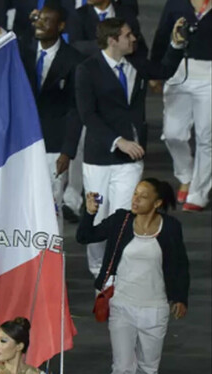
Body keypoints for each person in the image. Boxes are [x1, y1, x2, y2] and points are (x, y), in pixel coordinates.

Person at [76, 178, 189, 374]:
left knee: (148, 372)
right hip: (122, 307)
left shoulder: (171, 227)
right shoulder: (121, 221)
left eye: (143, 196)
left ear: (158, 202)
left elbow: (179, 263)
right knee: (122, 368)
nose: (135, 199)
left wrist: (180, 298)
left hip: (156, 308)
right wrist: (88, 212)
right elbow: (85, 237)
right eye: (135, 193)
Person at [74, 17, 186, 277]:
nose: (134, 38)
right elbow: (87, 115)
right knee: (99, 216)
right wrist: (118, 142)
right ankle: (97, 270)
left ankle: (115, 271)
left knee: (124, 215)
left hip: (131, 159)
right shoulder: (87, 70)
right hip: (99, 158)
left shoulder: (135, 63)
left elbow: (164, 71)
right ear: (113, 40)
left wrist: (176, 45)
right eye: (127, 35)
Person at [21, 1, 84, 218]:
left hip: (54, 145)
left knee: (51, 205)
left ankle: (54, 253)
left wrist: (67, 151)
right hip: (22, 143)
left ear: (61, 26)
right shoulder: (21, 53)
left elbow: (77, 109)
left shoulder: (75, 60)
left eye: (47, 20)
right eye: (39, 18)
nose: (40, 23)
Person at [152, 0, 212, 212]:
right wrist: (156, 71)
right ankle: (185, 176)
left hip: (209, 75)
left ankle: (199, 193)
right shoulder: (176, 2)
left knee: (207, 137)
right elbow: (162, 34)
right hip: (177, 71)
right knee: (172, 133)